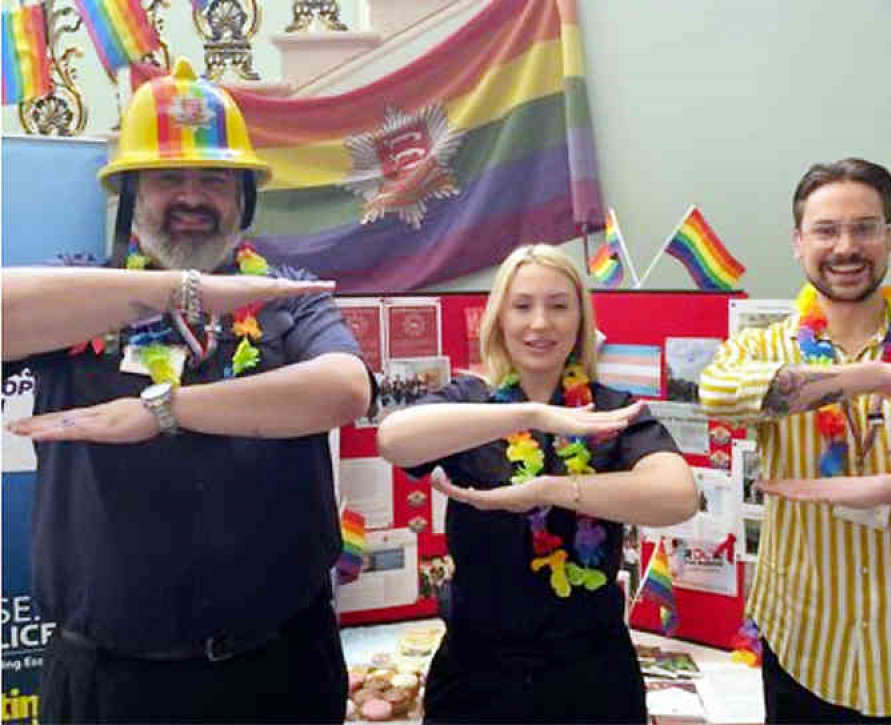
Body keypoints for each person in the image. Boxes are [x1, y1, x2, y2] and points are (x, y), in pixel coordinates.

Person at [2, 58, 374, 723]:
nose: (192, 197)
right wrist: (186, 291)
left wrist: (165, 411)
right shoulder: (78, 298)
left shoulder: (284, 297)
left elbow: (344, 390)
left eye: (214, 181)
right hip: (109, 686)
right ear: (130, 195)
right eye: (169, 178)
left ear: (243, 198)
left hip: (279, 674)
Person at [699, 158, 891, 723]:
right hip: (807, 653)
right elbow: (718, 393)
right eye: (826, 230)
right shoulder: (761, 349)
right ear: (797, 242)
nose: (846, 247)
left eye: (865, 227)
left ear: (890, 237)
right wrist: (875, 379)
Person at [377, 244, 698, 723]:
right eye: (522, 305)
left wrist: (548, 489)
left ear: (580, 320)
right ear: (499, 318)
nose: (540, 323)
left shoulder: (609, 408)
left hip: (591, 677)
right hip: (476, 675)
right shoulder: (469, 401)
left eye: (558, 305)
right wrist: (531, 413)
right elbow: (394, 440)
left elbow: (679, 496)